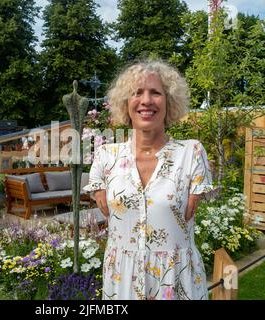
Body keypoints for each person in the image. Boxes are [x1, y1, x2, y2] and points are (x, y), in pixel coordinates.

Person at [83, 59, 213, 300]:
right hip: (122, 283)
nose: (146, 101)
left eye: (155, 93)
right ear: (126, 103)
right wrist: (98, 185)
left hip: (177, 282)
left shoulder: (191, 153)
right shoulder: (105, 157)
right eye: (137, 93)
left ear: (169, 101)